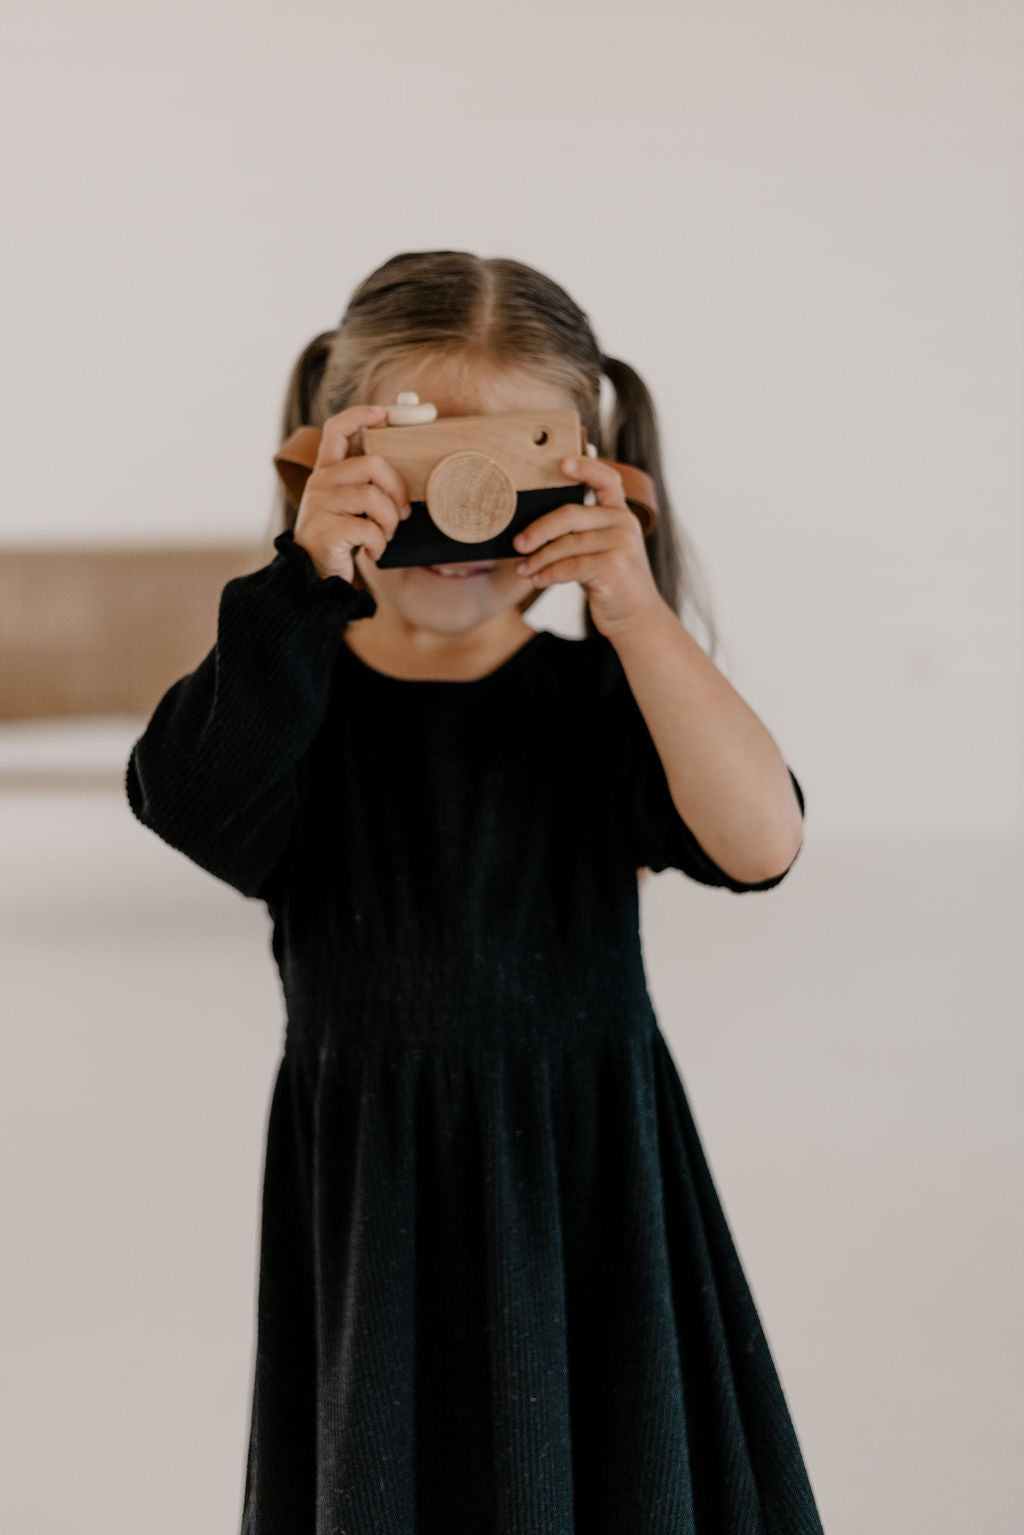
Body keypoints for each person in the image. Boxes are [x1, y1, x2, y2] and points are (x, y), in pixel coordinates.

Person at [125, 250, 825, 1534]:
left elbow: (760, 840)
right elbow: (182, 801)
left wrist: (634, 611)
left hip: (591, 1175)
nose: (462, 512)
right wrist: (300, 578)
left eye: (505, 466)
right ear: (323, 461)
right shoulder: (294, 698)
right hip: (380, 1192)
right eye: (419, 466)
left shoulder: (601, 698)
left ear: (585, 466)